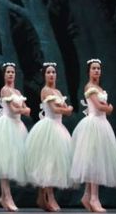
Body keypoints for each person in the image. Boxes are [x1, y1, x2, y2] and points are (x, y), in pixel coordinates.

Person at [70, 58, 116, 213]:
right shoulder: (89, 87)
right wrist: (109, 108)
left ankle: (87, 196)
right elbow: (99, 106)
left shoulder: (99, 88)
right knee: (94, 162)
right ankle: (94, 199)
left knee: (96, 161)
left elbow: (103, 106)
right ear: (88, 71)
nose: (96, 71)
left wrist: (107, 108)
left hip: (102, 124)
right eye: (93, 68)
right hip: (94, 124)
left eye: (98, 69)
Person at [25, 62, 74, 212]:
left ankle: (42, 196)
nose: (51, 74)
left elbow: (64, 109)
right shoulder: (45, 90)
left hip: (59, 128)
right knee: (48, 163)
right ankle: (49, 196)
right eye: (48, 72)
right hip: (48, 128)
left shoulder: (57, 92)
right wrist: (67, 109)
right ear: (44, 75)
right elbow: (55, 109)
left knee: (55, 163)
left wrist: (66, 109)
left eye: (53, 72)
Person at [0, 62, 31, 211]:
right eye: (8, 72)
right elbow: (15, 109)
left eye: (12, 72)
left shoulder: (17, 92)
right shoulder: (4, 90)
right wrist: (23, 110)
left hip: (17, 127)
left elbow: (25, 109)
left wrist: (23, 109)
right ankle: (7, 196)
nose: (10, 74)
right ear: (4, 75)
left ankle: (4, 196)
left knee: (13, 162)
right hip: (6, 127)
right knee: (4, 163)